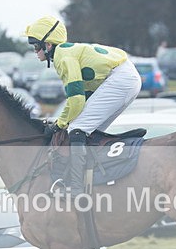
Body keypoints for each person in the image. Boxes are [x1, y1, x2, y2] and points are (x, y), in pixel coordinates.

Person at [24, 15, 142, 195]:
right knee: (87, 130)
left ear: (48, 45)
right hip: (125, 77)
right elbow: (84, 97)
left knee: (77, 129)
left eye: (36, 45)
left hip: (121, 79)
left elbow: (76, 100)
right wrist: (64, 121)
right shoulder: (65, 53)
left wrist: (60, 123)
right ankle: (93, 179)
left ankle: (76, 188)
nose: (35, 50)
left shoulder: (63, 57)